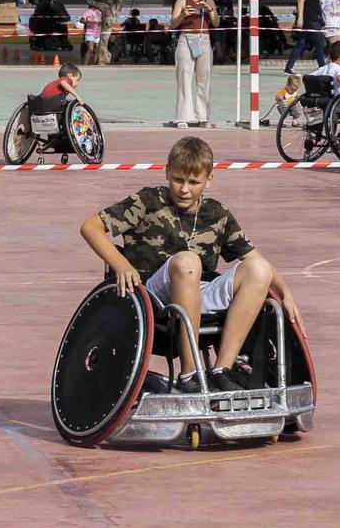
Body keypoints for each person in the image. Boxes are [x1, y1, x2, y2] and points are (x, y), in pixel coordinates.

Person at [80, 136, 302, 394]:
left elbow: (253, 257)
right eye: (178, 179)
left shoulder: (217, 213)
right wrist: (120, 264)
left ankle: (222, 370)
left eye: (194, 182)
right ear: (166, 172)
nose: (184, 189)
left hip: (197, 290)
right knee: (188, 260)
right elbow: (90, 227)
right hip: (152, 295)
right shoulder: (147, 201)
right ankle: (189, 374)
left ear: (209, 180)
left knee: (259, 270)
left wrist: (286, 292)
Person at [169, 0, 217, 129]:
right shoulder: (182, 0)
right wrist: (183, 14)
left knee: (204, 79)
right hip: (186, 39)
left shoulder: (208, 0)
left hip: (204, 39)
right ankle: (183, 117)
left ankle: (203, 117)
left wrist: (210, 10)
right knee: (184, 77)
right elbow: (173, 24)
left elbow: (216, 22)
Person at [281, 0, 323, 76]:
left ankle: (289, 67)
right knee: (319, 42)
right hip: (309, 19)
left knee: (302, 42)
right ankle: (323, 68)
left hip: (311, 18)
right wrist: (300, 19)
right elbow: (300, 1)